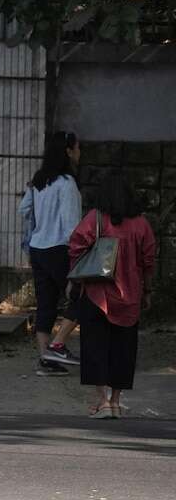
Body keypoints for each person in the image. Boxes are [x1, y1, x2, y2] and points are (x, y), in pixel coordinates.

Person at [68, 171, 157, 418]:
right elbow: (149, 261)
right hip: (129, 296)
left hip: (97, 294)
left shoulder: (94, 219)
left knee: (95, 347)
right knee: (123, 350)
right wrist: (147, 291)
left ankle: (102, 400)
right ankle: (116, 402)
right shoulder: (141, 224)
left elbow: (75, 247)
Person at [17, 130, 84, 374]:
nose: (79, 152)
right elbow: (72, 228)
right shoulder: (67, 184)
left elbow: (23, 209)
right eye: (77, 148)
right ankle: (57, 345)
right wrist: (77, 259)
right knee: (80, 295)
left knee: (46, 305)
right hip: (59, 250)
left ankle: (46, 360)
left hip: (38, 248)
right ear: (68, 151)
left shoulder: (39, 179)